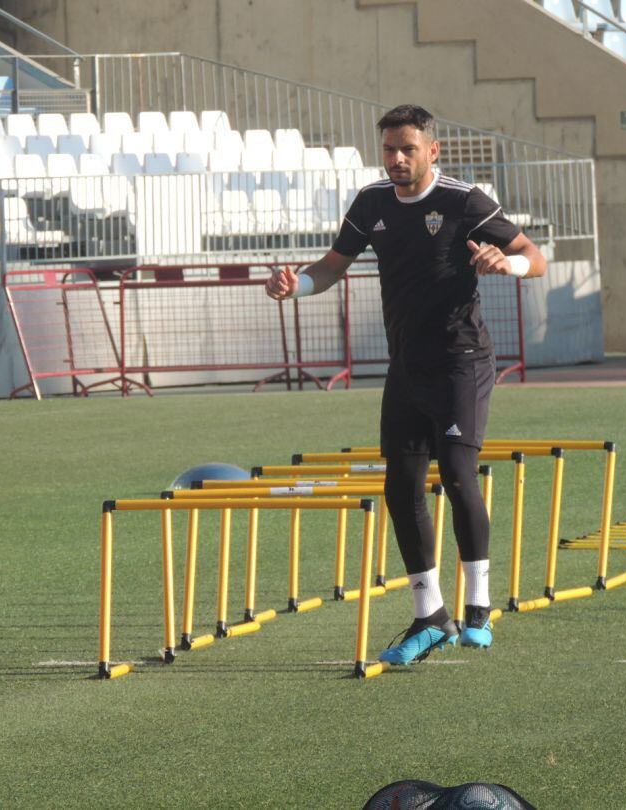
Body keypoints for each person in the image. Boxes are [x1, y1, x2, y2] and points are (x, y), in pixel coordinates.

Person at [266, 105, 546, 664]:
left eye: (407, 148)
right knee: (400, 488)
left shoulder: (464, 201)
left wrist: (506, 264)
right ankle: (431, 616)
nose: (396, 158)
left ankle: (478, 608)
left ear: (432, 151)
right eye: (389, 149)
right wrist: (296, 286)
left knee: (459, 475)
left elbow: (533, 256)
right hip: (406, 367)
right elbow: (331, 266)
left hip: (461, 362)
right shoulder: (372, 203)